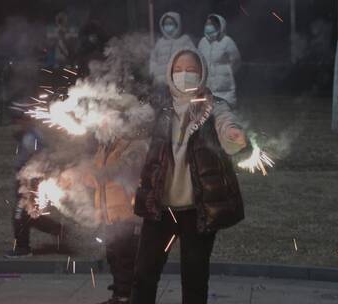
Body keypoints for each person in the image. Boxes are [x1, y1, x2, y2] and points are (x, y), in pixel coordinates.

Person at [130, 48, 247, 304]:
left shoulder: (213, 106)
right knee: (143, 274)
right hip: (159, 207)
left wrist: (233, 135)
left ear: (202, 72)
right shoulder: (159, 107)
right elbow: (133, 126)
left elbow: (226, 122)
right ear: (170, 73)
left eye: (191, 70)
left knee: (194, 279)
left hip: (198, 209)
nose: (184, 75)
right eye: (179, 70)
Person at [83, 135, 147, 304]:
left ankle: (126, 297)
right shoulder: (105, 146)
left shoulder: (135, 144)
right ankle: (120, 295)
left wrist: (100, 175)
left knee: (126, 257)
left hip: (127, 213)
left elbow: (122, 168)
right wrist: (76, 177)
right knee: (114, 257)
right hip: (109, 214)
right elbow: (95, 176)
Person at [5, 127, 63, 258]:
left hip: (30, 180)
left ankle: (23, 248)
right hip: (26, 179)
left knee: (20, 214)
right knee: (28, 214)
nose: (14, 124)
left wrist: (31, 182)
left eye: (17, 120)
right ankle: (58, 230)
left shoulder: (31, 138)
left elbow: (41, 159)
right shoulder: (28, 135)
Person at [198, 14, 241, 108]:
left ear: (219, 26)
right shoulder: (202, 42)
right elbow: (199, 61)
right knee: (206, 117)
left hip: (224, 90)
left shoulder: (227, 41)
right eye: (207, 24)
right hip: (206, 88)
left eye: (211, 24)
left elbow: (236, 60)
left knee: (224, 116)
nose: (208, 26)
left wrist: (226, 73)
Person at [149, 12, 195, 86]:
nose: (167, 26)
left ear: (177, 24)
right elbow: (153, 59)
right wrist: (153, 72)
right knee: (160, 97)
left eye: (170, 23)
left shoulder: (185, 40)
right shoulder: (160, 42)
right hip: (161, 82)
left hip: (178, 82)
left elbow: (193, 58)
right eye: (166, 24)